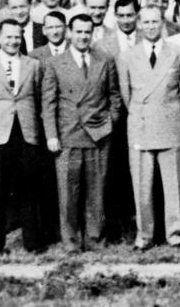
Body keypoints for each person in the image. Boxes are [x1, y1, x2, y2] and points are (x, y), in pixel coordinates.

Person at [41, 14, 122, 251]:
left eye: (87, 32)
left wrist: (109, 123)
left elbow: (114, 97)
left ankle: (96, 239)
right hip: (68, 135)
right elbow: (49, 103)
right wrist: (52, 135)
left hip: (98, 136)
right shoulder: (55, 63)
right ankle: (72, 242)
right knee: (68, 193)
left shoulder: (104, 59)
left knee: (97, 191)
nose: (83, 36)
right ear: (69, 32)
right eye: (78, 32)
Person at [0, 19, 45, 254]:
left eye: (17, 36)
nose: (13, 41)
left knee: (29, 189)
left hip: (26, 133)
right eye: (9, 36)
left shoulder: (33, 65)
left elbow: (40, 97)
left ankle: (32, 243)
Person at [118, 6, 180, 248]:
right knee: (142, 186)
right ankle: (144, 235)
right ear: (138, 24)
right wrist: (140, 114)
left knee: (174, 185)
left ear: (163, 24)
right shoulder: (127, 55)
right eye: (145, 22)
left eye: (155, 21)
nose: (150, 26)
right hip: (141, 124)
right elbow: (126, 96)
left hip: (171, 123)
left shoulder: (178, 52)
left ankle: (176, 234)